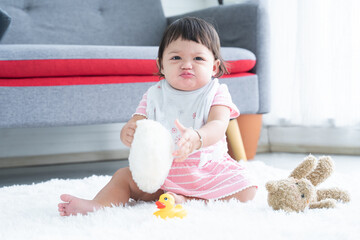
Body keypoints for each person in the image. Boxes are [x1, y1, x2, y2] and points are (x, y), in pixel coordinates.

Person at [58, 17, 257, 216]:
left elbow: (218, 124)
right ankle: (97, 205)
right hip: (162, 171)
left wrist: (198, 137)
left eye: (198, 58)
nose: (186, 65)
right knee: (123, 177)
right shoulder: (154, 95)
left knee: (248, 189)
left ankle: (187, 199)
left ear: (214, 67)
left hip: (206, 168)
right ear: (161, 65)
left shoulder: (216, 92)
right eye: (176, 58)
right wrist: (128, 132)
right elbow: (137, 122)